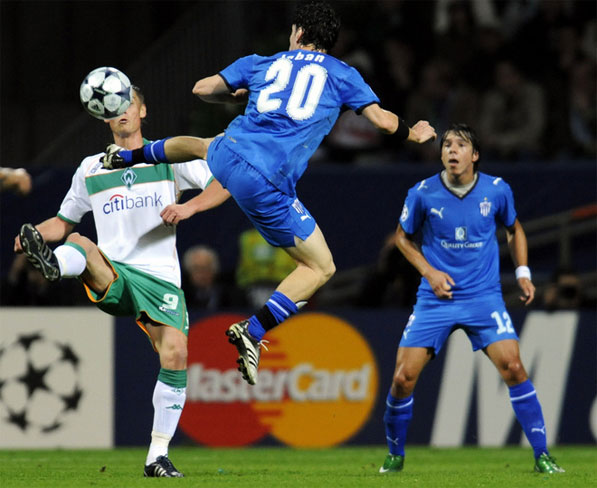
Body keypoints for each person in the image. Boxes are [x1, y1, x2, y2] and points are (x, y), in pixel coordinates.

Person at [101, 1, 437, 386]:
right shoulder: (343, 74)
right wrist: (414, 133)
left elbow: (202, 89)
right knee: (321, 266)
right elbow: (383, 122)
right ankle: (253, 330)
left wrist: (237, 96)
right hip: (267, 180)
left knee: (205, 145)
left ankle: (129, 156)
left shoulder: (262, 62)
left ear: (298, 33)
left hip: (229, 153)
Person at [14, 86, 229, 477]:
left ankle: (156, 456)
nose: (122, 111)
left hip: (160, 279)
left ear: (142, 110)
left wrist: (189, 207)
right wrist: (35, 234)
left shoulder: (168, 157)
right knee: (81, 241)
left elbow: (225, 181)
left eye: (128, 102)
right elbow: (62, 223)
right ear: (103, 115)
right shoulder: (91, 169)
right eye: (113, 106)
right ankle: (54, 266)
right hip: (114, 271)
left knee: (176, 354)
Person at [379, 123, 564, 475]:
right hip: (436, 299)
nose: (451, 150)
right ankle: (394, 456)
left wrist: (523, 273)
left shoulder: (497, 190)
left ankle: (543, 455)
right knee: (402, 379)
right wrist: (429, 273)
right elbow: (402, 238)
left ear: (475, 155)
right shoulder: (422, 193)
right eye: (447, 144)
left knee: (514, 368)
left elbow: (514, 229)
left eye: (460, 145)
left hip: (483, 298)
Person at [182, 244, 246, 310]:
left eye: (205, 268)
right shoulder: (181, 296)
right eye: (196, 269)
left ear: (214, 270)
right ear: (188, 271)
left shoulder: (230, 295)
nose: (201, 274)